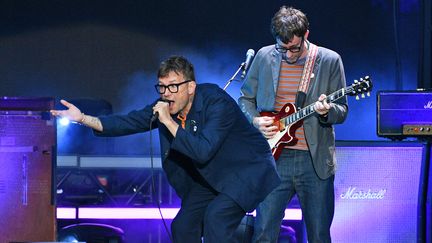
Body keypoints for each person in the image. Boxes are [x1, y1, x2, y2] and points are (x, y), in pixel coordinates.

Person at [51, 55, 280, 243]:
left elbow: (203, 151)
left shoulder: (216, 102)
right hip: (211, 175)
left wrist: (169, 122)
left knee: (217, 219)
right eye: (161, 87)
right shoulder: (163, 108)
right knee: (182, 226)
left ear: (190, 87)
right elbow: (127, 122)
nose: (166, 93)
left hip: (245, 171)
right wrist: (82, 118)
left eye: (173, 87)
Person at [238, 6, 348, 243]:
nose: (288, 54)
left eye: (294, 48)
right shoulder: (264, 56)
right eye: (283, 48)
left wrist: (327, 111)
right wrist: (256, 120)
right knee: (264, 233)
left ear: (306, 34)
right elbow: (245, 99)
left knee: (319, 235)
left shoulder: (329, 60)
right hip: (274, 159)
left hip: (314, 160)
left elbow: (342, 111)